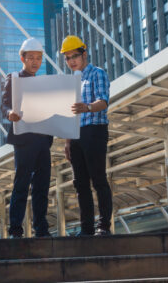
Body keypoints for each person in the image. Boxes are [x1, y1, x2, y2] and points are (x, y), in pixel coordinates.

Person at [61, 35, 113, 236]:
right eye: (67, 57)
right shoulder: (70, 81)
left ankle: (104, 226)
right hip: (75, 136)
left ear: (84, 54)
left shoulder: (96, 73)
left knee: (98, 179)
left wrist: (88, 107)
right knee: (80, 183)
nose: (71, 60)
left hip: (94, 131)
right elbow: (68, 114)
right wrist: (67, 141)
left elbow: (104, 101)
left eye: (74, 55)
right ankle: (86, 229)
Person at [1, 37, 53, 238]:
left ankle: (41, 228)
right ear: (22, 58)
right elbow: (4, 104)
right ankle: (16, 229)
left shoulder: (45, 82)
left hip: (43, 140)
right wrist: (9, 113)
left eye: (39, 58)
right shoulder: (13, 78)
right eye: (31, 57)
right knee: (21, 184)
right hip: (24, 139)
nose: (35, 62)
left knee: (42, 186)